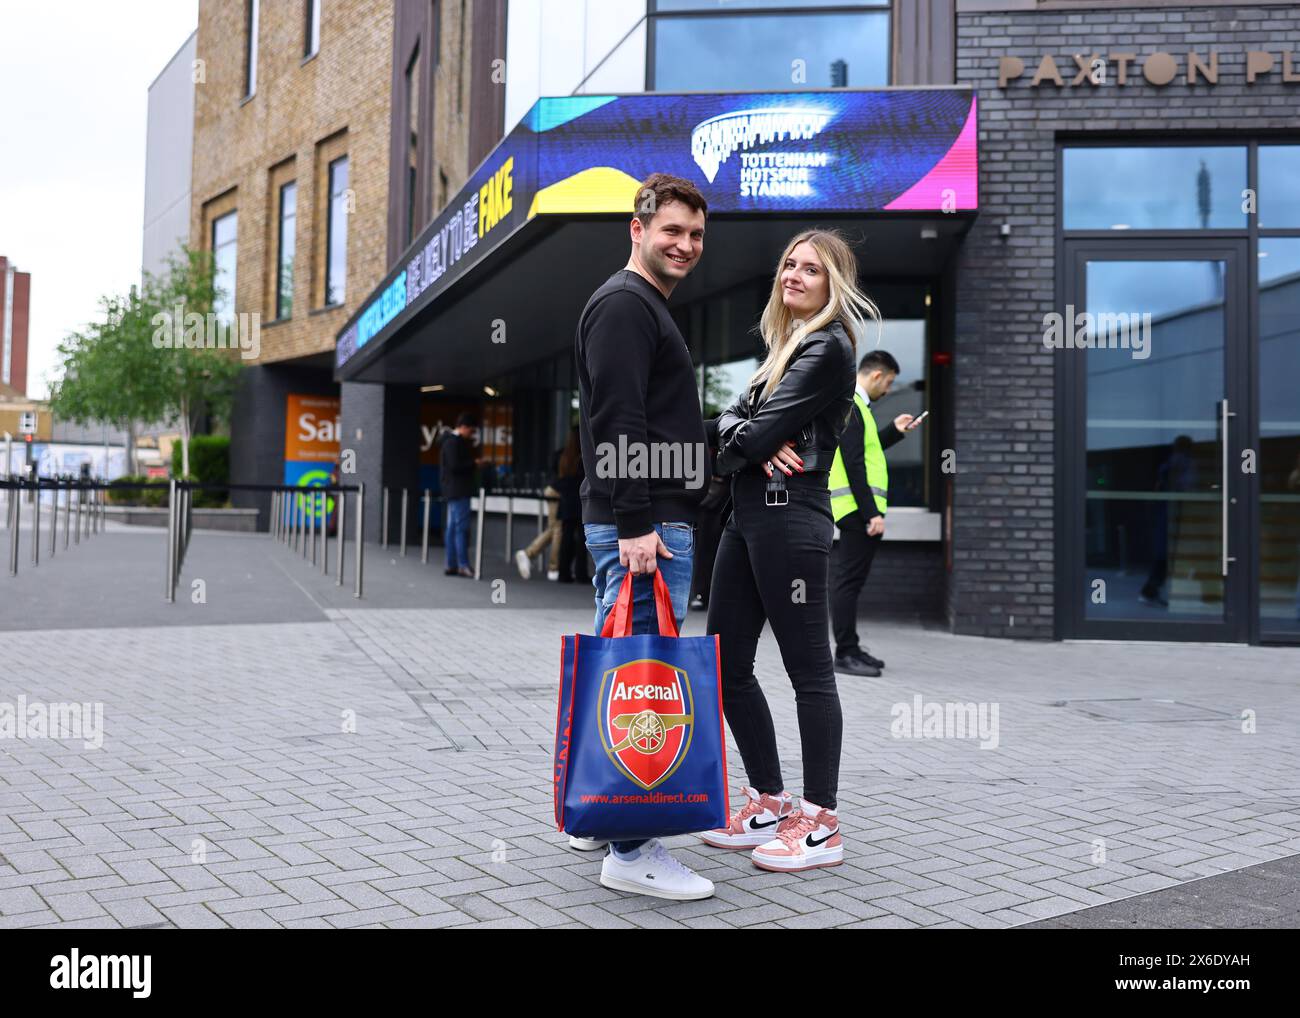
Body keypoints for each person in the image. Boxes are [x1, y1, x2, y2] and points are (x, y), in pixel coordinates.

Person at [699, 228, 878, 874]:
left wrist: (741, 434)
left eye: (811, 269)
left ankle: (822, 822)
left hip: (791, 522)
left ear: (834, 285)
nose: (793, 276)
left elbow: (743, 438)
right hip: (748, 520)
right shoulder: (786, 349)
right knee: (725, 664)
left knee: (809, 672)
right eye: (788, 265)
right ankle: (770, 801)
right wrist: (740, 432)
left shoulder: (829, 348)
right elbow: (726, 428)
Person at [573, 171, 713, 901]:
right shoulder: (628, 304)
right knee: (645, 682)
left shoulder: (639, 307)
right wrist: (635, 523)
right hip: (647, 527)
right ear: (638, 229)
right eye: (672, 231)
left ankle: (599, 816)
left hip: (646, 517)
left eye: (695, 235)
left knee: (621, 670)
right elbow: (617, 420)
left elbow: (654, 421)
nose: (685, 245)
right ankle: (632, 849)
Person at [827, 350, 915, 677]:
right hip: (855, 511)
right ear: (876, 375)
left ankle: (850, 647)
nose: (889, 390)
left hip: (855, 510)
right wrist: (870, 513)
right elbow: (853, 464)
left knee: (851, 582)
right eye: (889, 382)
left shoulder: (857, 408)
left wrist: (894, 430)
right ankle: (845, 653)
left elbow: (863, 451)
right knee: (848, 583)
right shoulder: (852, 406)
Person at [438, 413, 478, 578]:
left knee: (452, 528)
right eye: (471, 430)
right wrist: (474, 464)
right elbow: (456, 466)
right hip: (459, 490)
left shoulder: (447, 442)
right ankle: (462, 565)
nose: (472, 434)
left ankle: (452, 563)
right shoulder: (455, 443)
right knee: (460, 528)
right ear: (464, 427)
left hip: (451, 490)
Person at [515, 447, 563, 581]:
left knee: (553, 528)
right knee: (558, 529)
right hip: (558, 491)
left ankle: (529, 554)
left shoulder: (561, 452)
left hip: (554, 489)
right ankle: (551, 566)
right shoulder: (570, 453)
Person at [553, 426, 589, 583]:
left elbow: (555, 481)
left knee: (566, 538)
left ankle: (563, 572)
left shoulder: (561, 456)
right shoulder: (585, 456)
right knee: (582, 540)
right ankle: (580, 573)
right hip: (581, 503)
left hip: (566, 502)